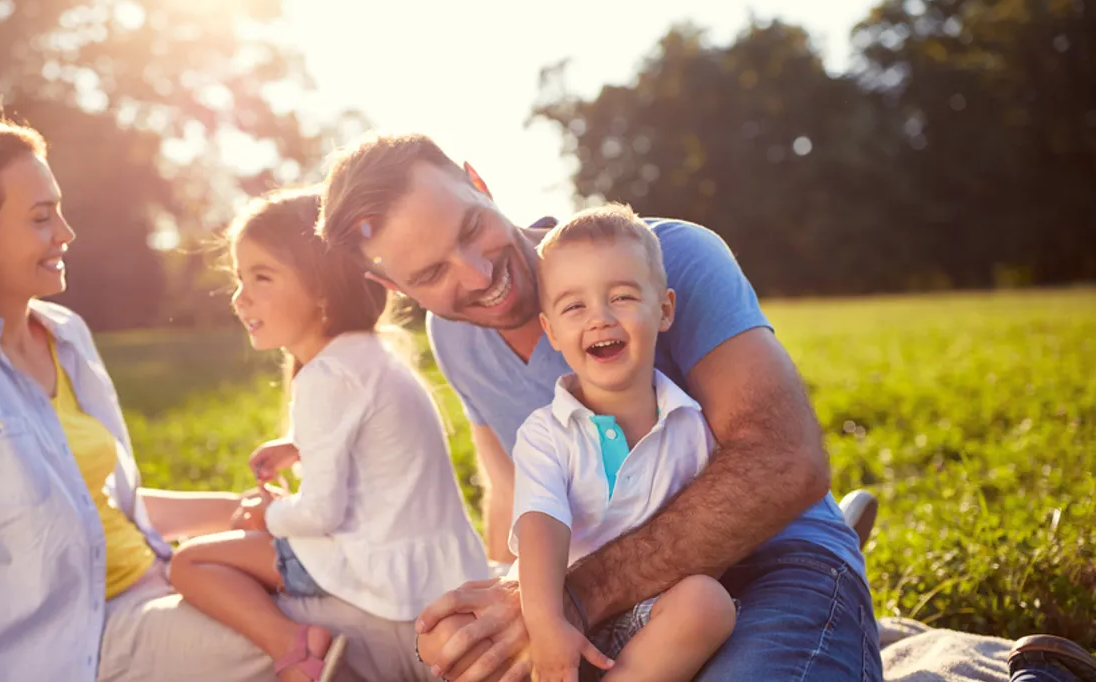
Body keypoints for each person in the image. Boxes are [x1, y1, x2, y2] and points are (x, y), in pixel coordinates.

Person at [0, 117, 435, 682]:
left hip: (156, 585)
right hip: (76, 645)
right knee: (339, 649)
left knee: (385, 603)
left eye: (58, 210)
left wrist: (240, 512)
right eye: (40, 218)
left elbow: (99, 508)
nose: (66, 232)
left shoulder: (64, 335)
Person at [316, 132, 879, 681]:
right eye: (431, 273)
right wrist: (508, 616)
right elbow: (511, 491)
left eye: (470, 228)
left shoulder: (665, 256)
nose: (478, 275)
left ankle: (842, 558)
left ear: (478, 182)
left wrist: (573, 598)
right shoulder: (454, 336)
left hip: (770, 563)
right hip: (603, 606)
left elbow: (784, 463)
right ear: (391, 285)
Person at [165, 188, 489, 681]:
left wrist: (267, 515)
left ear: (321, 289)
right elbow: (373, 442)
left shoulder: (325, 376)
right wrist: (297, 446)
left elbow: (321, 513)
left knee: (190, 564)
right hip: (437, 561)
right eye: (239, 278)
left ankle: (295, 648)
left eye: (261, 277)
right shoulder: (372, 355)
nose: (240, 296)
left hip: (373, 567)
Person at [512, 205, 736, 681]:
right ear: (551, 330)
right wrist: (547, 623)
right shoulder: (545, 433)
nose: (600, 318)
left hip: (650, 621)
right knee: (443, 636)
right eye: (574, 307)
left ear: (664, 310)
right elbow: (540, 524)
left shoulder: (692, 425)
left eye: (621, 297)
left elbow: (711, 533)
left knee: (708, 603)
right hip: (557, 612)